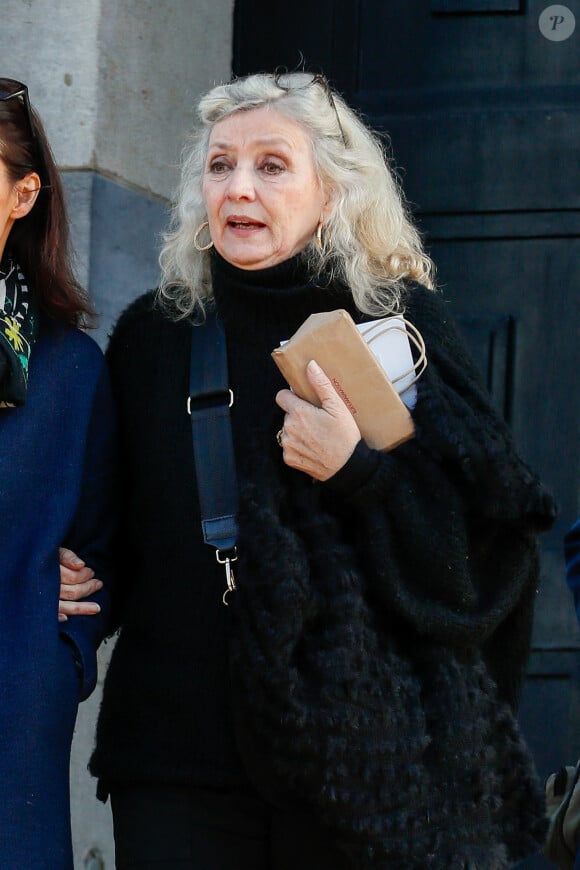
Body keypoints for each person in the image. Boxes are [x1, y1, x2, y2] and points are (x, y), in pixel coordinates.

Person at [66, 72, 556, 868]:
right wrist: (74, 579)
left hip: (360, 764)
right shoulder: (154, 338)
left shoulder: (400, 327)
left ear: (331, 194)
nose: (239, 187)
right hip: (176, 764)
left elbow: (491, 559)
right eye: (220, 165)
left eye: (271, 165)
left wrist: (359, 470)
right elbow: (119, 537)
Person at [0, 78, 116, 869]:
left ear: (22, 193)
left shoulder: (69, 371)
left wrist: (58, 652)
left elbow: (106, 547)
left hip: (11, 741)